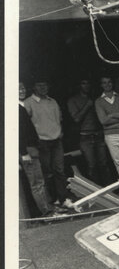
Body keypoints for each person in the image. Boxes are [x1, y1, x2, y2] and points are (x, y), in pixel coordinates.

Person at [24, 79, 71, 209]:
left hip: (56, 141)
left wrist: (60, 132)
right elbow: (25, 125)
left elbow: (59, 118)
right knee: (46, 172)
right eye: (39, 85)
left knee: (59, 170)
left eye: (45, 85)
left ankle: (63, 199)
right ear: (34, 87)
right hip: (41, 142)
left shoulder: (53, 101)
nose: (43, 88)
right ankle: (52, 201)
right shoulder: (28, 103)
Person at [66, 77, 110, 183]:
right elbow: (76, 119)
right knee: (91, 165)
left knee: (104, 164)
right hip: (85, 136)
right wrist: (88, 105)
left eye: (88, 83)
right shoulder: (73, 100)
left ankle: (110, 190)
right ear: (79, 86)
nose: (86, 86)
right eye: (83, 83)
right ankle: (96, 192)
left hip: (99, 134)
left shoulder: (97, 98)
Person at [19, 82, 51, 216]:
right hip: (27, 151)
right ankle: (47, 213)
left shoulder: (21, 106)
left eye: (22, 88)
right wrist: (24, 153)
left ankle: (48, 209)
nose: (21, 91)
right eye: (18, 89)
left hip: (32, 149)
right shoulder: (16, 108)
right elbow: (17, 133)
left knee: (40, 182)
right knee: (37, 183)